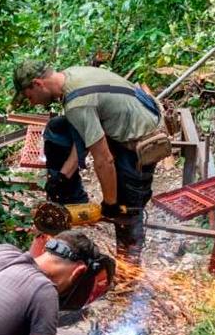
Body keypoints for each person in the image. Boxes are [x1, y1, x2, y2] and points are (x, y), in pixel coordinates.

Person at [12, 60, 165, 260]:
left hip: (140, 136)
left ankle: (130, 266)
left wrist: (109, 203)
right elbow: (83, 128)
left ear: (38, 83)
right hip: (121, 118)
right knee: (57, 129)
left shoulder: (77, 102)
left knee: (126, 209)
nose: (32, 103)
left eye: (29, 97)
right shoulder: (71, 75)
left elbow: (104, 160)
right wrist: (64, 175)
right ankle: (71, 200)